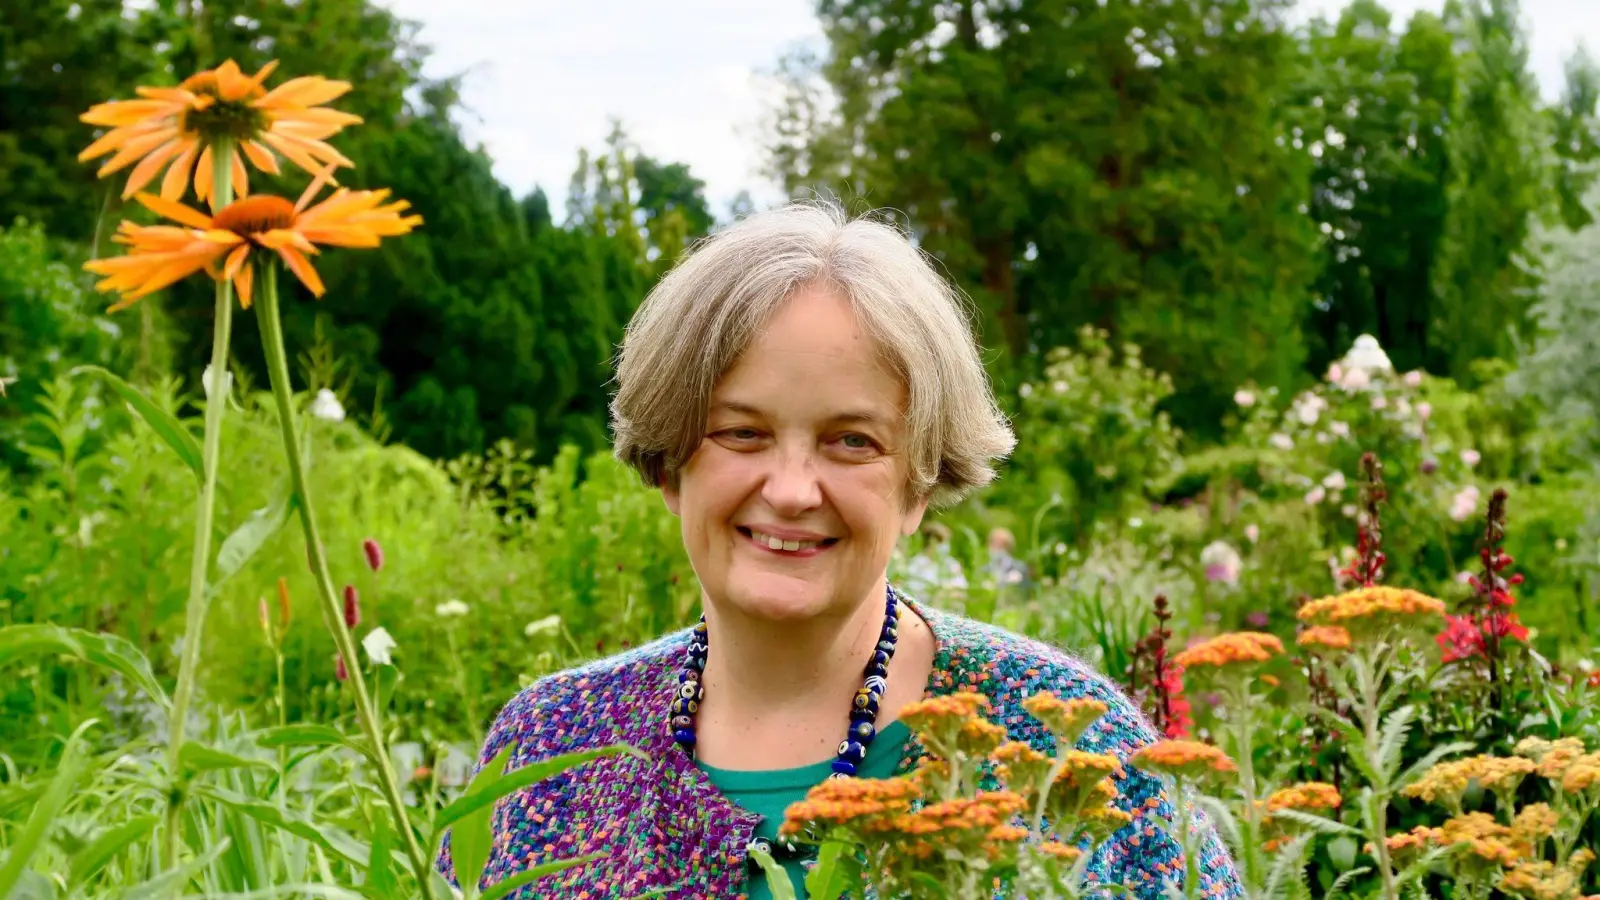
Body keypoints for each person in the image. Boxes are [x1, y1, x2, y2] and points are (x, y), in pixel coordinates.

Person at [438, 203, 1239, 899]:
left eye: (851, 441)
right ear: (669, 462)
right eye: (740, 432)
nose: (791, 489)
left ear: (920, 483)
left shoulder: (1074, 750)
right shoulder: (549, 750)